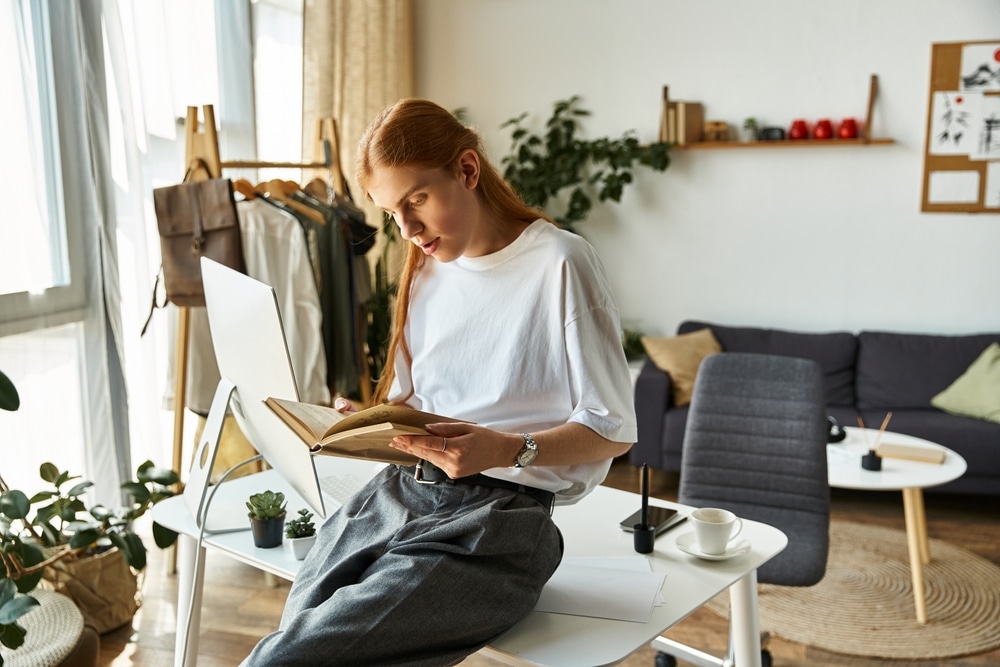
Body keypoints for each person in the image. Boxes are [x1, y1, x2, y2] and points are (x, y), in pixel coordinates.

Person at [241, 98, 637, 666]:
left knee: (284, 660)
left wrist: (507, 448)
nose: (407, 230)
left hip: (500, 522)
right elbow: (415, 404)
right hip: (402, 492)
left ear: (467, 171)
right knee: (296, 631)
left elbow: (613, 430)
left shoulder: (560, 263)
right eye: (390, 213)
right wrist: (371, 425)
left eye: (416, 200)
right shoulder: (426, 272)